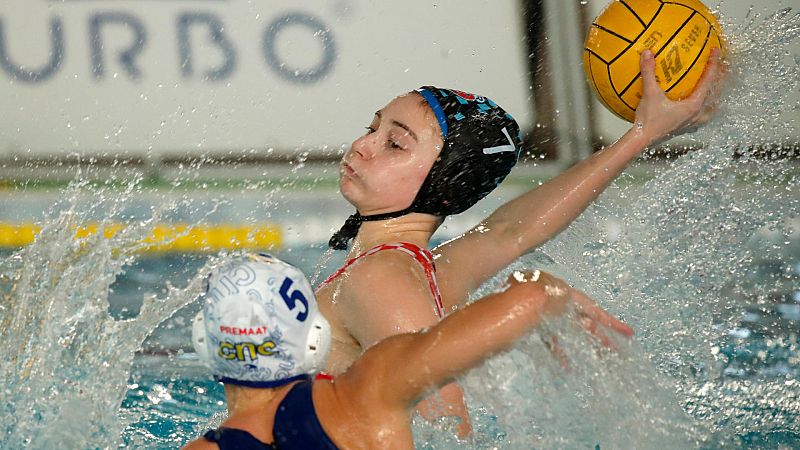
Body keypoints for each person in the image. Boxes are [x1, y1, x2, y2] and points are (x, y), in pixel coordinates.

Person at [314, 48, 725, 434]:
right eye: (373, 127)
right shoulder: (425, 268)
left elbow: (445, 428)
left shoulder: (382, 278)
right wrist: (640, 135)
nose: (363, 145)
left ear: (446, 181)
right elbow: (510, 231)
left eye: (394, 143)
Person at [183, 253, 620, 450]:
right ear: (315, 338)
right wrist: (541, 282)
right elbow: (532, 301)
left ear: (204, 344)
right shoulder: (366, 392)